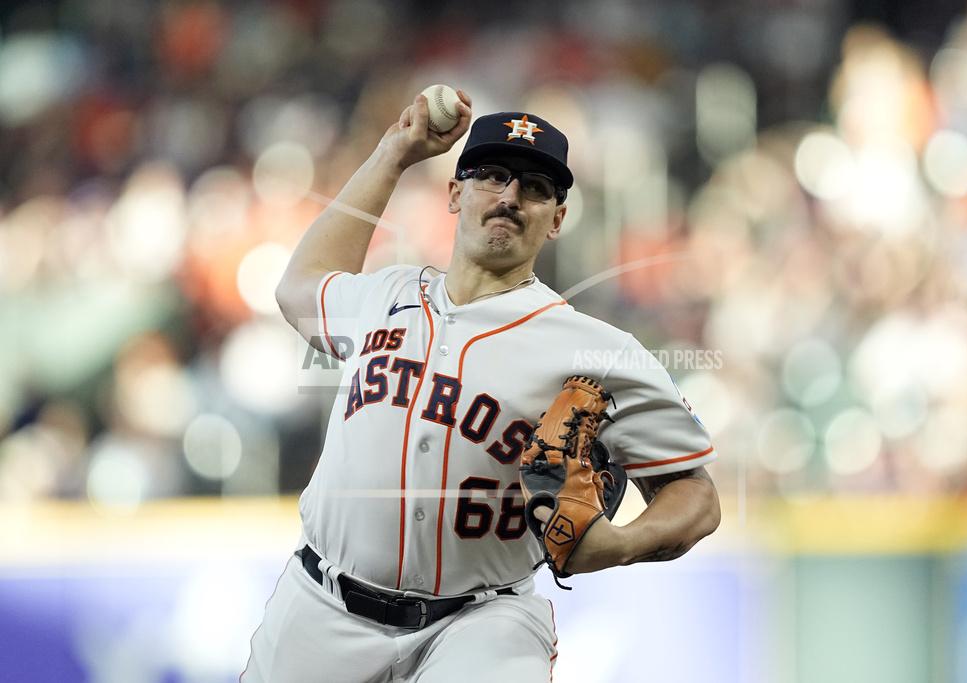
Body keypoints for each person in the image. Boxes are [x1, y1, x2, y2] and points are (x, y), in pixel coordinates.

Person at [242, 89, 721, 683]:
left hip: (483, 622)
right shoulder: (384, 296)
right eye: (491, 176)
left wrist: (621, 543)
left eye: (536, 188)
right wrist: (394, 152)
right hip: (320, 608)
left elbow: (695, 495)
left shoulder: (597, 349)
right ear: (454, 193)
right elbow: (299, 287)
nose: (510, 197)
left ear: (558, 219)